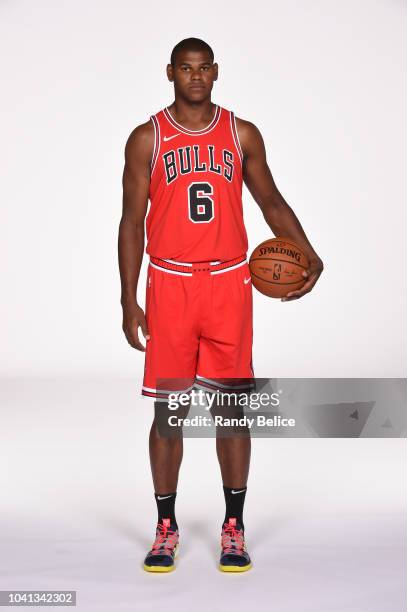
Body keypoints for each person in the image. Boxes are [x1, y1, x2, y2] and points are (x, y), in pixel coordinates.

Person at [118, 37, 324, 573]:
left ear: (216, 72)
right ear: (169, 72)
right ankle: (166, 526)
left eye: (203, 68)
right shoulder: (148, 138)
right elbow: (130, 222)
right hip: (170, 285)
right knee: (171, 412)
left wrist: (307, 253)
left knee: (233, 408)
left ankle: (234, 524)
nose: (195, 76)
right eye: (185, 68)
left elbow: (270, 201)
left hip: (229, 282)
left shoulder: (241, 133)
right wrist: (127, 297)